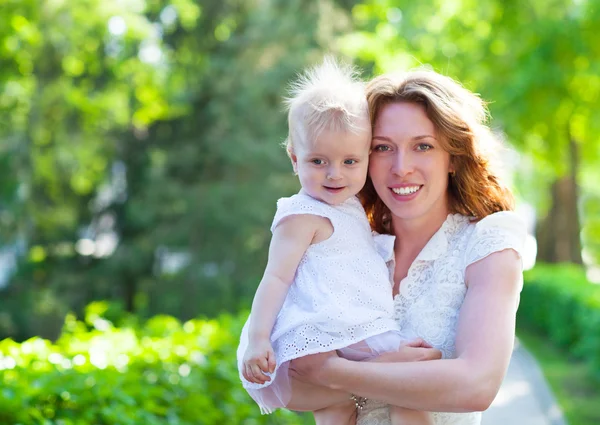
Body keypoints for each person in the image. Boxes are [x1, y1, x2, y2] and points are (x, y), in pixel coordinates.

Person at [284, 68, 527, 425]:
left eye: (422, 146)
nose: (401, 168)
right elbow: (290, 388)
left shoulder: (487, 244)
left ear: (454, 157)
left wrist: (334, 372)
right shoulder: (338, 243)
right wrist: (373, 372)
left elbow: (477, 385)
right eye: (383, 148)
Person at [236, 58, 434, 425]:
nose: (334, 173)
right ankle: (383, 377)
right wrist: (258, 339)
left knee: (337, 410)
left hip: (351, 327)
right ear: (294, 159)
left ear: (365, 158)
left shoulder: (351, 207)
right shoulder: (301, 215)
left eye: (349, 161)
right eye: (318, 161)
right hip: (328, 329)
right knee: (417, 375)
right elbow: (275, 278)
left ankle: (365, 388)